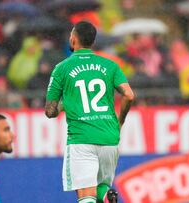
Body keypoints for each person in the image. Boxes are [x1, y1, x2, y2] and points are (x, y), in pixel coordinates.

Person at [45, 21, 135, 203]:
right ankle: (107, 197)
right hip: (110, 138)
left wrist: (64, 103)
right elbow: (129, 95)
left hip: (82, 139)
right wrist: (120, 121)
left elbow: (50, 111)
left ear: (74, 38)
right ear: (92, 42)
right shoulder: (110, 65)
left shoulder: (62, 68)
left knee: (86, 195)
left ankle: (105, 196)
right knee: (100, 187)